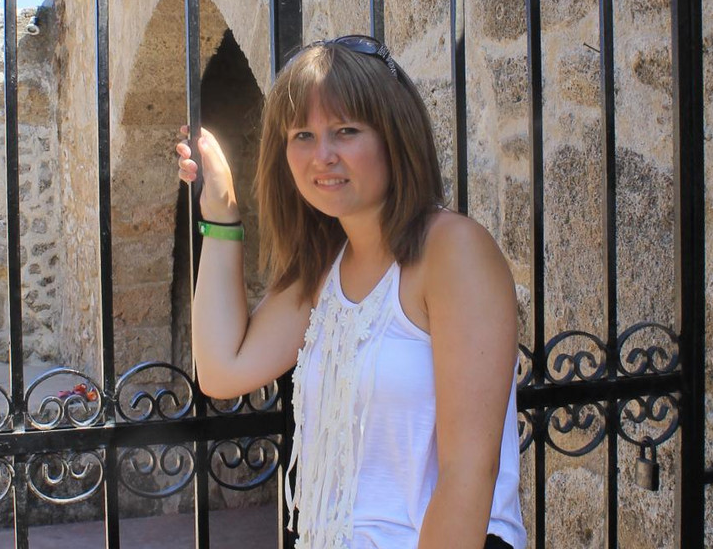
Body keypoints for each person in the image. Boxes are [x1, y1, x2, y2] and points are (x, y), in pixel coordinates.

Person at [175, 36, 526, 549]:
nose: (323, 156)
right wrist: (222, 213)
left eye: (346, 131)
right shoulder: (325, 267)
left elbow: (467, 474)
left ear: (394, 136)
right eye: (302, 135)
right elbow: (222, 370)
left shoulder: (452, 251)